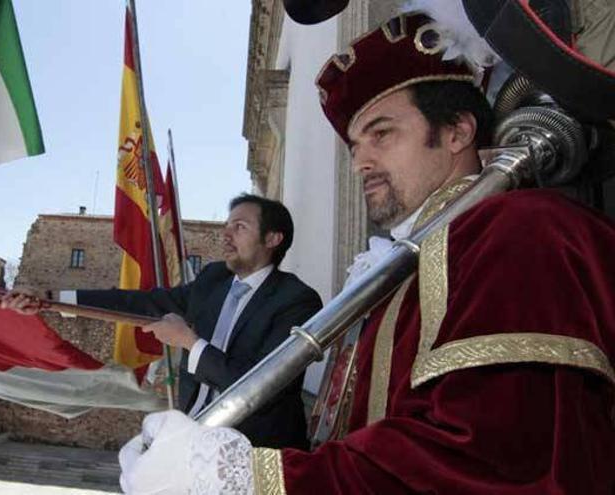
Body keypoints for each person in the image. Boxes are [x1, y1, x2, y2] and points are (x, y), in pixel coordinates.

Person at [116, 11, 615, 495]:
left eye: (381, 133)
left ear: (458, 132)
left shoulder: (524, 230)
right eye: (355, 145)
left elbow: (497, 459)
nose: (361, 162)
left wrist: (240, 477)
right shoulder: (404, 264)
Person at [2, 193, 323, 450]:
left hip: (256, 450)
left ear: (272, 239)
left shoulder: (297, 301)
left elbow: (260, 385)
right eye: (226, 227)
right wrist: (50, 297)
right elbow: (145, 303)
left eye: (239, 227)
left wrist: (188, 342)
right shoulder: (214, 279)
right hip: (192, 435)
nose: (225, 236)